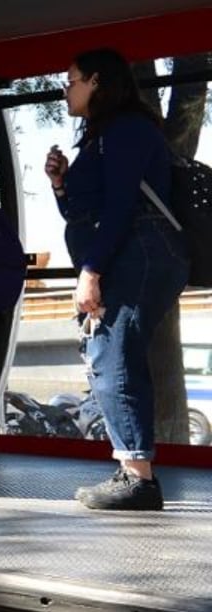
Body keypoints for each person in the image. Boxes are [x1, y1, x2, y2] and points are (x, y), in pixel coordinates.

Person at [45, 48, 188, 511]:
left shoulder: (126, 129)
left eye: (71, 80)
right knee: (112, 352)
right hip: (132, 253)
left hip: (139, 253)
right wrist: (61, 184)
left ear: (97, 82)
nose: (65, 90)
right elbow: (85, 212)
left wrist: (91, 271)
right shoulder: (105, 135)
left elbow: (123, 206)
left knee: (113, 353)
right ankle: (134, 470)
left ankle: (138, 479)